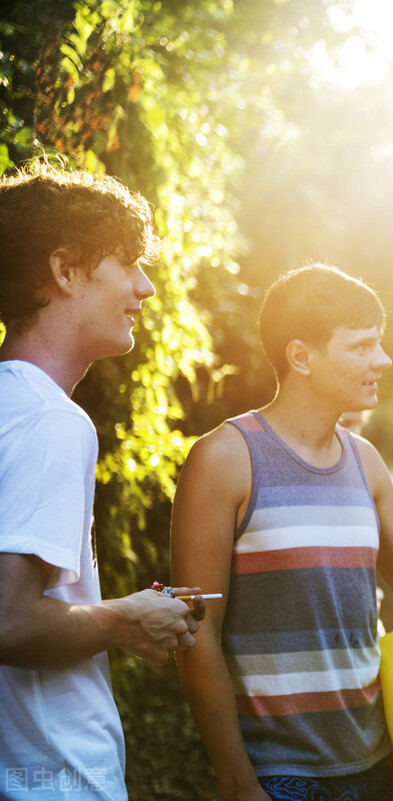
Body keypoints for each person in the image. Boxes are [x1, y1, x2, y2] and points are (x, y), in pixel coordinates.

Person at [171, 264, 393, 801]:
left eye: (379, 344)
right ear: (301, 357)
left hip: (373, 765)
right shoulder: (224, 460)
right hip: (276, 775)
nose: (382, 360)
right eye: (361, 347)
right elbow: (197, 635)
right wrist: (239, 783)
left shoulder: (366, 461)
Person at [0, 164, 206, 800]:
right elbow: (8, 623)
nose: (145, 288)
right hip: (56, 780)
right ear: (65, 272)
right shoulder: (52, 422)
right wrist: (125, 620)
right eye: (128, 263)